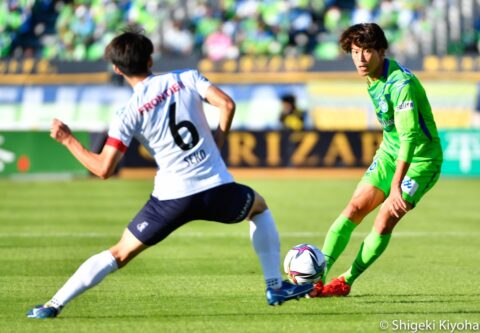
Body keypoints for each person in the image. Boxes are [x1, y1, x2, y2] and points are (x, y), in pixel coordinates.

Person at [27, 27, 312, 319]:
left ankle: (52, 305)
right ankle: (274, 285)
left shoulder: (128, 113)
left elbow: (103, 169)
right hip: (216, 188)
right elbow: (226, 104)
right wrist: (218, 142)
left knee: (120, 253)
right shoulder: (186, 77)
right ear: (150, 60)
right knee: (259, 208)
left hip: (171, 199)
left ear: (117, 68)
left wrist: (67, 140)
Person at [311, 23, 443, 297]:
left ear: (382, 52)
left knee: (384, 219)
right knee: (354, 208)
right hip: (389, 153)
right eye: (355, 51)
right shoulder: (371, 75)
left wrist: (395, 187)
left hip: (421, 161)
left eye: (368, 51)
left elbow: (409, 138)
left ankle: (345, 280)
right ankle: (318, 276)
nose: (360, 58)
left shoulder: (401, 84)